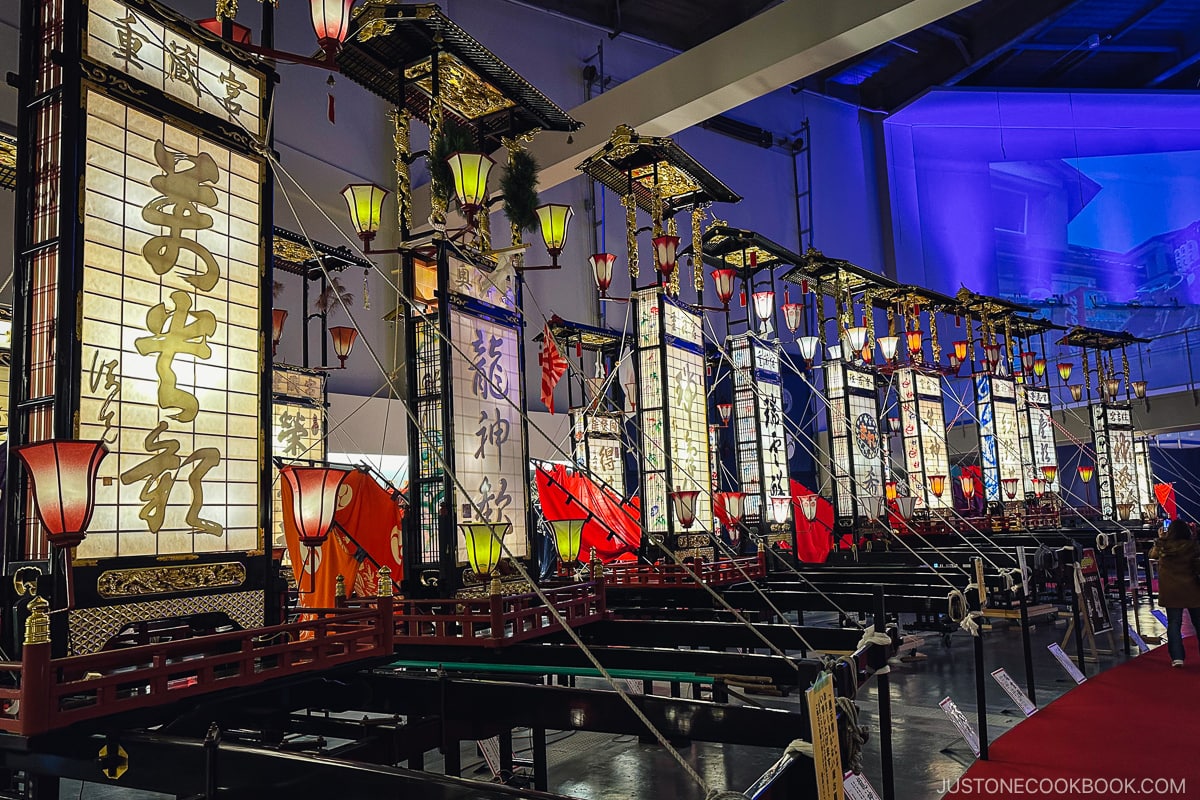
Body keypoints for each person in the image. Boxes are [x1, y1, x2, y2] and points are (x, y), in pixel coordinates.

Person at [1150, 519, 1200, 667]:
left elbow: (1151, 555)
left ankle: (1177, 658)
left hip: (1171, 592)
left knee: (1173, 624)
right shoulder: (1193, 547)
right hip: (1192, 590)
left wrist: (1161, 538)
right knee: (1198, 623)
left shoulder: (1162, 547)